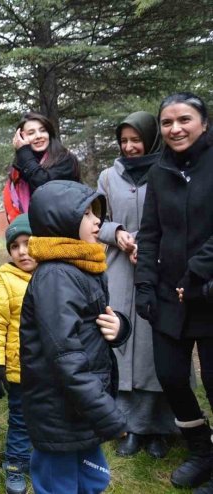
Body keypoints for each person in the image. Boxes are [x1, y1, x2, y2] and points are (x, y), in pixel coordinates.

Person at [20, 180, 130, 494]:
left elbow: (95, 322)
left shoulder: (83, 266)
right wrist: (106, 412)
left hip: (81, 406)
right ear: (61, 221)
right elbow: (65, 355)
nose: (98, 221)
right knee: (59, 484)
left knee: (93, 479)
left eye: (97, 213)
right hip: (60, 409)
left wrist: (119, 327)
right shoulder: (56, 276)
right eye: (86, 214)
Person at [135, 92, 213, 491]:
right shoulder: (160, 170)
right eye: (167, 123)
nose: (175, 129)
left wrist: (197, 271)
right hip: (168, 295)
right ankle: (202, 448)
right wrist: (145, 285)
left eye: (184, 119)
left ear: (203, 122)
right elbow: (150, 235)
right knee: (171, 376)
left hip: (208, 292)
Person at [97, 111, 176, 459]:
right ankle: (127, 426)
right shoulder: (107, 176)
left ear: (151, 138)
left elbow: (177, 218)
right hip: (118, 269)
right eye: (123, 141)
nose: (129, 147)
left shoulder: (168, 170)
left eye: (136, 139)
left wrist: (148, 247)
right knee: (121, 345)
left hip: (160, 269)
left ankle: (160, 427)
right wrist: (116, 234)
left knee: (155, 346)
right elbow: (95, 219)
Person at [0, 214, 35, 494]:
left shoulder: (54, 275)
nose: (22, 251)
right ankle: (15, 465)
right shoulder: (6, 281)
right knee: (20, 421)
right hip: (19, 371)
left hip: (50, 371)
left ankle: (39, 460)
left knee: (46, 419)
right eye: (15, 246)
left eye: (28, 243)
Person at [3, 111, 81, 222]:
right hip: (29, 231)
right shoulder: (17, 170)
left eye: (43, 130)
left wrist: (24, 153)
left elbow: (43, 185)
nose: (38, 136)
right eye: (31, 133)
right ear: (20, 138)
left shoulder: (65, 159)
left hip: (62, 227)